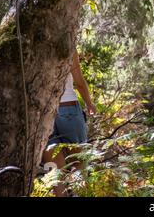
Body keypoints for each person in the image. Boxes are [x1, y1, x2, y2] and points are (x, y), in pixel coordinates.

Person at [42, 48, 96, 196]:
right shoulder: (68, 46)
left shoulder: (30, 43)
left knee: (53, 169)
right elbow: (79, 82)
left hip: (43, 113)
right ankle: (78, 193)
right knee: (79, 161)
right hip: (68, 108)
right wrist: (89, 104)